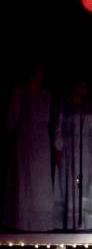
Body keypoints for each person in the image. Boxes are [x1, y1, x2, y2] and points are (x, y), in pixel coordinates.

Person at [3, 65, 54, 231]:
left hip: (42, 142)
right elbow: (12, 118)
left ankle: (41, 223)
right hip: (25, 140)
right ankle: (22, 221)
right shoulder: (20, 92)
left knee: (40, 181)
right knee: (24, 179)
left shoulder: (46, 95)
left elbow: (48, 118)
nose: (39, 75)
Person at [53, 79, 92, 230]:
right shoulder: (65, 105)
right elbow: (58, 128)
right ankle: (68, 222)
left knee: (84, 184)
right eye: (80, 85)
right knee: (70, 183)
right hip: (69, 150)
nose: (82, 89)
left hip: (85, 151)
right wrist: (58, 147)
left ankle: (84, 222)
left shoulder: (89, 108)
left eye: (85, 86)